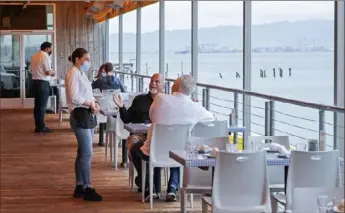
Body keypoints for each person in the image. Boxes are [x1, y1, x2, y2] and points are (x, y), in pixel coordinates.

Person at [130, 74, 215, 202]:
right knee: (177, 147)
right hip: (179, 155)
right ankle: (172, 188)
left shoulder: (160, 99)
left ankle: (150, 188)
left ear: (175, 86)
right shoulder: (195, 108)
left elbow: (151, 115)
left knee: (135, 148)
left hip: (154, 153)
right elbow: (211, 118)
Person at [112, 73, 164, 195]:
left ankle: (143, 181)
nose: (153, 83)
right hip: (139, 136)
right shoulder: (139, 100)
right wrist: (121, 107)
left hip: (160, 137)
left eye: (157, 81)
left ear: (163, 86)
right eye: (152, 81)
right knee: (133, 144)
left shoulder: (166, 102)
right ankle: (145, 181)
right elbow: (127, 119)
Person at [65, 48, 103, 202]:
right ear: (77, 59)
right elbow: (75, 97)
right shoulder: (73, 73)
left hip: (86, 114)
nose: (88, 61)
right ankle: (87, 187)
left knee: (82, 153)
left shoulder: (80, 73)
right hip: (80, 115)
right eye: (86, 59)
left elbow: (86, 94)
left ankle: (79, 185)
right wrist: (90, 103)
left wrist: (94, 103)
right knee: (87, 154)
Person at [31, 41, 55, 133]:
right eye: (51, 48)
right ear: (47, 48)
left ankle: (38, 126)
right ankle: (41, 127)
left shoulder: (34, 56)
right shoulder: (45, 56)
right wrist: (54, 72)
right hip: (42, 83)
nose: (51, 50)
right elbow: (48, 72)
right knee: (42, 106)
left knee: (37, 106)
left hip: (35, 83)